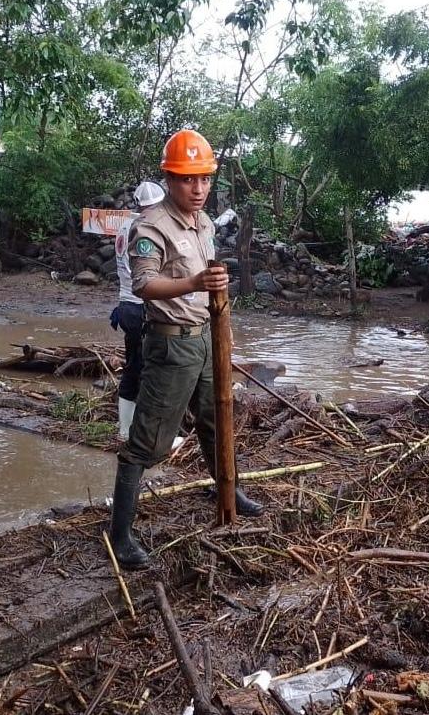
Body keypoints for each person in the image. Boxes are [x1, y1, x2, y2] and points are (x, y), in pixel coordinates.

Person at [110, 129, 265, 570]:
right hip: (171, 344)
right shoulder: (151, 225)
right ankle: (120, 536)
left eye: (204, 179)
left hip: (205, 339)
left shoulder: (202, 223)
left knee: (218, 421)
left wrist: (222, 330)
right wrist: (194, 283)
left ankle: (227, 489)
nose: (198, 189)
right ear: (169, 180)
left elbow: (211, 285)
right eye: (187, 180)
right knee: (146, 444)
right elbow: (144, 284)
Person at [111, 181, 165, 439]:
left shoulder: (125, 225)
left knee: (134, 365)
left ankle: (125, 428)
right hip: (142, 306)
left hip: (126, 305)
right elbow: (149, 278)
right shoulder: (146, 229)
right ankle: (145, 432)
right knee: (150, 369)